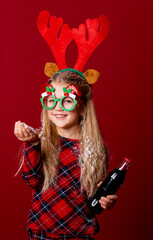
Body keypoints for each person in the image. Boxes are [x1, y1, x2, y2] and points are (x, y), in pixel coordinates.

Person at [14, 70, 117, 240]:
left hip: (80, 231)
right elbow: (32, 180)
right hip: (42, 230)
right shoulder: (41, 141)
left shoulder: (96, 149)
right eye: (52, 100)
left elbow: (92, 197)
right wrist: (32, 145)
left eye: (67, 101)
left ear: (82, 108)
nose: (57, 107)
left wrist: (103, 199)